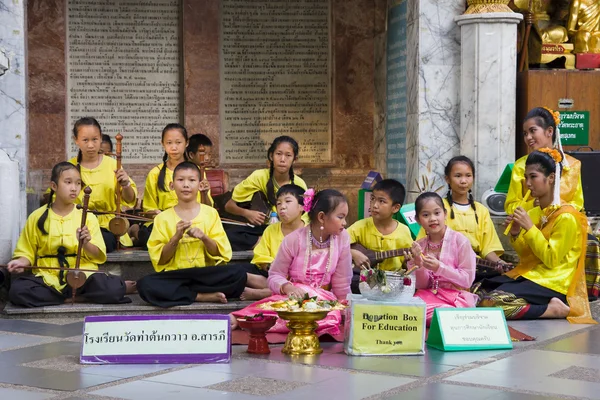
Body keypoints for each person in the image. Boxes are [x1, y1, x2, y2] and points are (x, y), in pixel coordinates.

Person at [475, 149, 596, 324]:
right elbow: (527, 255)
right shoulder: (535, 212)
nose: (527, 183)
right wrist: (516, 232)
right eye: (526, 177)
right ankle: (529, 302)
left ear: (551, 178)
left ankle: (552, 309)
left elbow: (551, 259)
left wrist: (530, 228)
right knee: (477, 291)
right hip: (532, 274)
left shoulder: (567, 216)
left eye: (533, 177)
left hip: (554, 282)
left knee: (491, 303)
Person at [231, 189, 352, 342]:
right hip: (294, 301)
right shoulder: (293, 240)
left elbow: (342, 282)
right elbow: (275, 276)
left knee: (330, 316)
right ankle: (241, 317)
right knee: (276, 311)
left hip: (325, 304)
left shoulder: (343, 238)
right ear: (321, 217)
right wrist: (288, 287)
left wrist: (346, 311)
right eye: (340, 217)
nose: (345, 223)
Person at [136, 162, 263, 307]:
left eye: (191, 180)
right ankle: (201, 296)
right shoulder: (162, 218)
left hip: (206, 274)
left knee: (236, 273)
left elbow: (219, 253)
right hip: (178, 276)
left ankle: (194, 293)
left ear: (200, 184)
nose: (186, 185)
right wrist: (176, 238)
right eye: (180, 180)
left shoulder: (210, 213)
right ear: (172, 185)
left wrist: (204, 237)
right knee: (145, 285)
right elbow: (162, 259)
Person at [7, 162, 133, 307]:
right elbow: (26, 251)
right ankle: (75, 298)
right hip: (49, 277)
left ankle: (61, 298)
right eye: (68, 182)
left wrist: (86, 244)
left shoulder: (87, 217)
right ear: (54, 186)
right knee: (17, 291)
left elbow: (98, 256)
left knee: (113, 288)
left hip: (82, 275)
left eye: (78, 183)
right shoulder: (37, 216)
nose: (74, 188)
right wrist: (22, 262)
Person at [418, 156, 507, 274]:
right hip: (445, 268)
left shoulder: (481, 210)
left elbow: (488, 248)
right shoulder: (437, 209)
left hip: (477, 268)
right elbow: (423, 243)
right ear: (447, 179)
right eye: (458, 176)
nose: (463, 181)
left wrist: (500, 263)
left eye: (468, 176)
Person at [222, 136, 307, 250]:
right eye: (278, 154)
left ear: (294, 159)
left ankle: (267, 243)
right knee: (226, 236)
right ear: (271, 156)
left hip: (286, 230)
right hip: (260, 229)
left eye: (288, 155)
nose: (282, 159)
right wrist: (247, 213)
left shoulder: (299, 184)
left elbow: (305, 219)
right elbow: (229, 206)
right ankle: (261, 242)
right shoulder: (259, 177)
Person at [406, 192, 478, 326]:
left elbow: (467, 281)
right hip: (427, 298)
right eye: (426, 215)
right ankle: (445, 319)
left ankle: (447, 317)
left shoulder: (461, 241)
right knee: (409, 311)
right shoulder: (419, 246)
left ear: (445, 214)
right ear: (417, 219)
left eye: (437, 213)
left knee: (438, 314)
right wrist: (418, 264)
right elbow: (421, 286)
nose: (432, 219)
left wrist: (440, 268)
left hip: (455, 299)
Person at [134, 124, 211, 248]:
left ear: (186, 143)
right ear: (162, 144)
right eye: (169, 143)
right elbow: (148, 209)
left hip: (194, 221)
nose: (174, 147)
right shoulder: (155, 173)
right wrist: (157, 214)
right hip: (165, 223)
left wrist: (205, 193)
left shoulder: (197, 172)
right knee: (148, 235)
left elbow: (208, 208)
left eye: (178, 142)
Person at [70, 117, 137, 252]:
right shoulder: (69, 167)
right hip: (77, 224)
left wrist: (125, 185)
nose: (90, 145)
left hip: (108, 226)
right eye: (85, 140)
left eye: (94, 139)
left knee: (103, 241)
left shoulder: (112, 164)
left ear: (101, 139)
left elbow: (130, 199)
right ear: (76, 140)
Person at [505, 107, 583, 214]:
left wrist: (555, 207)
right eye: (525, 133)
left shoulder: (572, 165)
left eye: (532, 131)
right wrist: (532, 205)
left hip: (563, 226)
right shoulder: (521, 166)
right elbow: (510, 207)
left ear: (549, 131)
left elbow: (578, 204)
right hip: (530, 227)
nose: (528, 137)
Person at [239, 184, 307, 301]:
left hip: (300, 279)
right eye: (279, 203)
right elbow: (261, 256)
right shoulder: (271, 229)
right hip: (273, 276)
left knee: (303, 285)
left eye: (288, 201)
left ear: (302, 207)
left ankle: (263, 293)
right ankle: (273, 290)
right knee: (238, 273)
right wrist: (273, 267)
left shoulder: (310, 230)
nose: (282, 207)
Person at [347, 179, 412, 293]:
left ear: (395, 208)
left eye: (381, 201)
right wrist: (354, 253)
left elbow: (408, 265)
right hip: (363, 284)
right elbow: (337, 244)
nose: (374, 205)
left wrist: (409, 262)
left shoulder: (404, 231)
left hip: (392, 284)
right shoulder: (360, 226)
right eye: (373, 199)